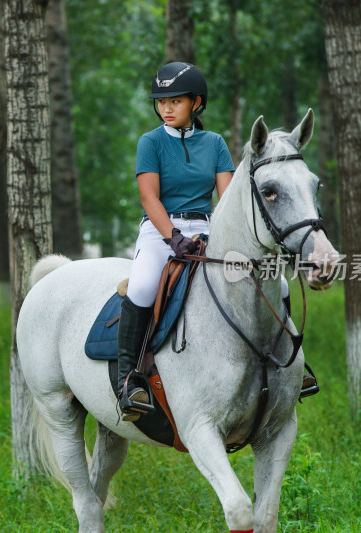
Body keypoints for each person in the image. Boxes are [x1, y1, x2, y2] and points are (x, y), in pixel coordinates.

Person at [118, 62, 234, 421]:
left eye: (176, 101)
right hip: (160, 231)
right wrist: (173, 237)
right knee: (141, 286)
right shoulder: (149, 142)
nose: (166, 108)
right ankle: (128, 380)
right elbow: (149, 198)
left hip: (207, 228)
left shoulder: (215, 144)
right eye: (161, 101)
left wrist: (225, 237)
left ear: (196, 103)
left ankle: (290, 367)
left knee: (269, 279)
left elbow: (226, 201)